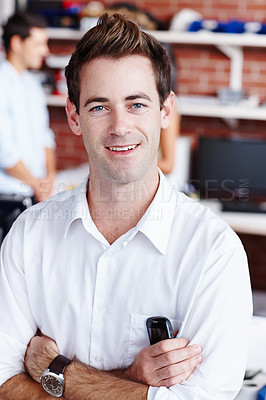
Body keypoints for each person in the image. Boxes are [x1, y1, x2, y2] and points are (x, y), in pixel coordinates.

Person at [0, 13, 252, 400]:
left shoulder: (214, 251)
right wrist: (135, 378)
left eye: (136, 104)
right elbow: (3, 383)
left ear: (166, 111)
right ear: (74, 116)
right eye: (99, 107)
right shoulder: (29, 235)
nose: (120, 126)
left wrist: (53, 371)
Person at [0, 11, 56, 203]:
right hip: (8, 200)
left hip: (35, 193)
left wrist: (49, 177)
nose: (45, 50)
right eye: (39, 43)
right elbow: (5, 152)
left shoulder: (33, 84)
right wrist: (37, 185)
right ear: (16, 43)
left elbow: (45, 136)